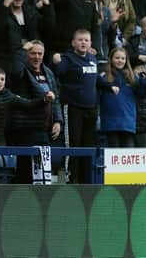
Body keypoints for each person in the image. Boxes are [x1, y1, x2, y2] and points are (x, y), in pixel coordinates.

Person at [9, 40, 63, 183]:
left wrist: (58, 120)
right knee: (25, 170)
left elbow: (55, 98)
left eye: (40, 54)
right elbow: (15, 73)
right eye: (33, 53)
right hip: (26, 128)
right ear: (27, 54)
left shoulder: (48, 72)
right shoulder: (22, 70)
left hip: (44, 129)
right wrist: (21, 50)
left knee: (42, 171)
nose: (37, 57)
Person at [52, 29, 99, 183]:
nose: (83, 42)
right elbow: (58, 72)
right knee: (74, 144)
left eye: (86, 40)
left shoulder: (93, 58)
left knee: (88, 145)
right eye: (80, 40)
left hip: (91, 108)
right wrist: (56, 60)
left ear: (91, 43)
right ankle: (72, 179)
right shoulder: (68, 58)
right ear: (73, 43)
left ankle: (86, 180)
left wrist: (110, 86)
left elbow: (97, 80)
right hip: (73, 108)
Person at [97, 47, 138, 147]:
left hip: (128, 122)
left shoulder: (132, 77)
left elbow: (144, 93)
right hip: (111, 123)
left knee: (127, 158)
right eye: (117, 58)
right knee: (113, 156)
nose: (120, 61)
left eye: (123, 58)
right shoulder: (103, 77)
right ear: (111, 59)